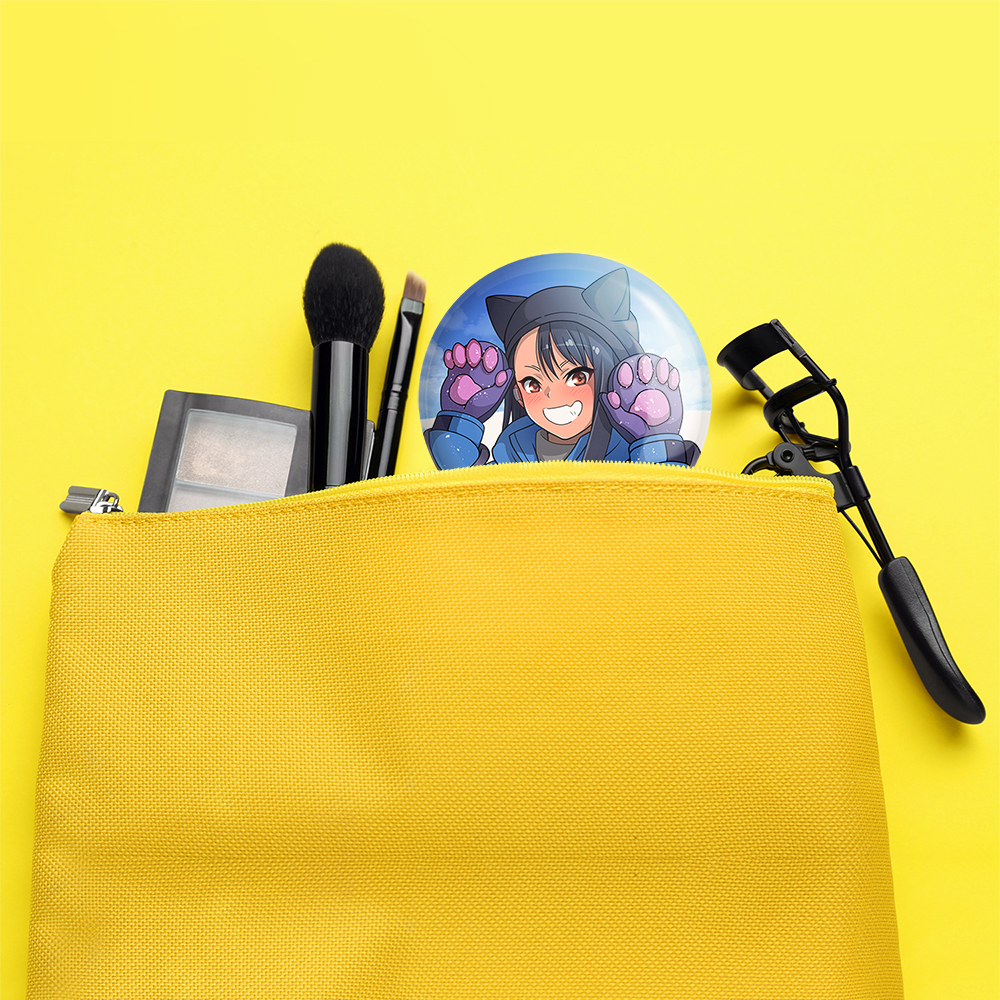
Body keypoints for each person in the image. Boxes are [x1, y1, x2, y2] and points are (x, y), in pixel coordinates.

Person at [425, 268, 701, 468]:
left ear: (614, 377)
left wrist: (656, 438)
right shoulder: (513, 449)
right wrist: (458, 419)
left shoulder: (625, 452)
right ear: (517, 394)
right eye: (533, 384)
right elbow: (468, 491)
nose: (553, 397)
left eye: (577, 377)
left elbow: (660, 497)